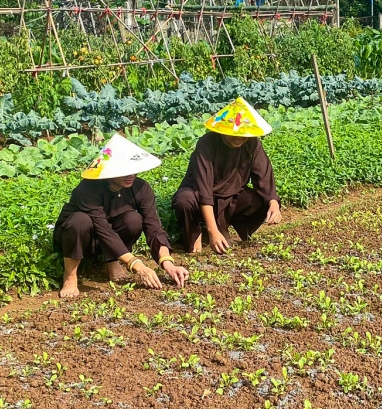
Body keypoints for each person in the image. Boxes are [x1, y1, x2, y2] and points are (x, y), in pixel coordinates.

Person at [53, 133, 189, 299]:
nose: (130, 175)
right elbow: (103, 229)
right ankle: (70, 276)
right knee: (80, 221)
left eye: (133, 170)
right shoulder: (88, 189)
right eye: (124, 171)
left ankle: (112, 262)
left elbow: (153, 227)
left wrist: (167, 263)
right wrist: (137, 264)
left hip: (109, 240)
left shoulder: (141, 188)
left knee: (133, 219)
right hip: (80, 238)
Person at [172, 96, 282, 254]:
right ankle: (196, 232)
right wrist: (213, 231)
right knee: (184, 200)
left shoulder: (252, 143)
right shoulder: (207, 143)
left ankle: (224, 226)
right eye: (233, 134)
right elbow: (204, 190)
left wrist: (273, 203)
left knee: (263, 200)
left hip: (231, 197)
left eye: (243, 135)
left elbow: (263, 177)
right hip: (199, 195)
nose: (239, 139)